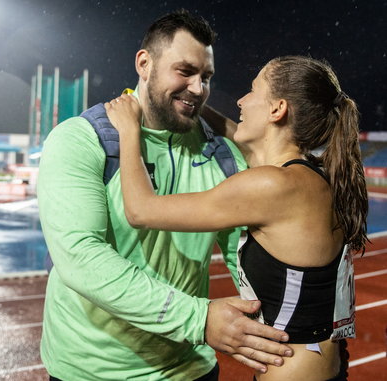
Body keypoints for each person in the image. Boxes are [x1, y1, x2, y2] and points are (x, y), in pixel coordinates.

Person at [37, 9, 293, 381]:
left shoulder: (223, 153)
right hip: (90, 370)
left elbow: (243, 254)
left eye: (206, 77)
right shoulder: (79, 140)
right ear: (145, 63)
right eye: (185, 71)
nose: (198, 88)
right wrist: (199, 318)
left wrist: (279, 326)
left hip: (190, 369)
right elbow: (80, 256)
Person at [106, 55, 368, 381]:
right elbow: (243, 141)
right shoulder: (313, 177)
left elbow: (140, 211)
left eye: (253, 90)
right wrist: (193, 106)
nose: (241, 101)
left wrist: (129, 129)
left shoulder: (270, 186)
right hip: (323, 367)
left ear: (277, 109)